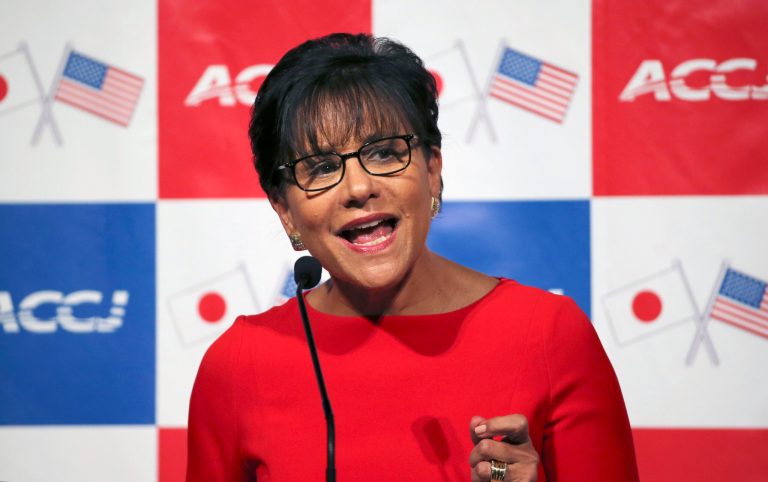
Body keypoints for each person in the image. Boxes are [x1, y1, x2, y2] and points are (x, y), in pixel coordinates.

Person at [186, 33, 639, 481]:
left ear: (432, 171)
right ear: (285, 211)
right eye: (322, 167)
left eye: (384, 153)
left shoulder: (549, 335)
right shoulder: (239, 364)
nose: (360, 188)